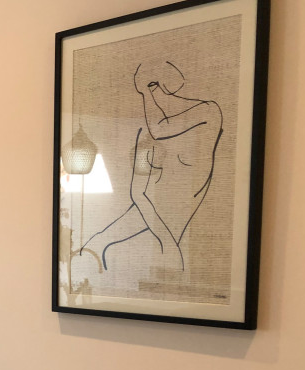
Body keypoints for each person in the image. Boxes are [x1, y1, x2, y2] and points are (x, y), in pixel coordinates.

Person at [80, 60, 223, 273]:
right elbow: (137, 191)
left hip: (179, 205)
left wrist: (147, 92)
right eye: (144, 91)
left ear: (163, 83)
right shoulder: (148, 138)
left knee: (168, 262)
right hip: (150, 203)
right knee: (98, 242)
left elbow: (158, 128)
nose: (150, 98)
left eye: (151, 87)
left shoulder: (208, 111)